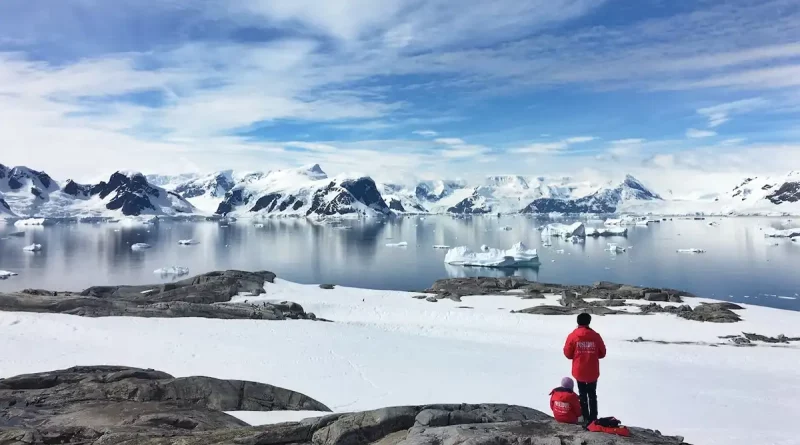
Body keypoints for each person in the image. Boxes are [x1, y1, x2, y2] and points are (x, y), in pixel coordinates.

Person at [563, 312, 606, 423]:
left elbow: (568, 354)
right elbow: (602, 353)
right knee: (592, 394)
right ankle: (593, 417)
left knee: (582, 394)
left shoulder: (573, 336)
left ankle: (585, 417)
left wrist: (577, 355)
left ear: (578, 322)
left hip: (579, 370)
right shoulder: (595, 336)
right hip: (592, 370)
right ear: (589, 322)